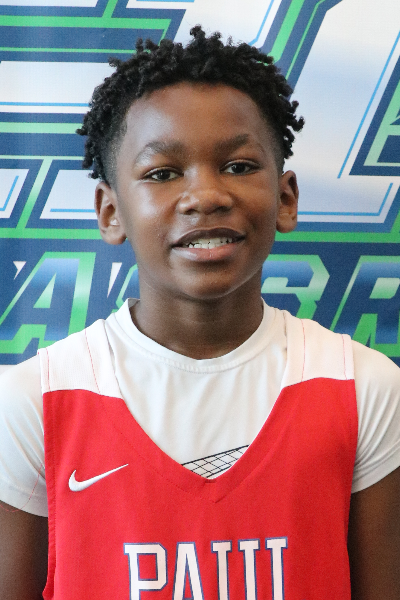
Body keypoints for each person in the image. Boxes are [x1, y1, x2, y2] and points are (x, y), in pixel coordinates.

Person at [0, 26, 399, 600]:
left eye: (238, 166)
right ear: (111, 213)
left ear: (286, 198)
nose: (206, 195)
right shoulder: (36, 401)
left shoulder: (363, 388)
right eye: (162, 174)